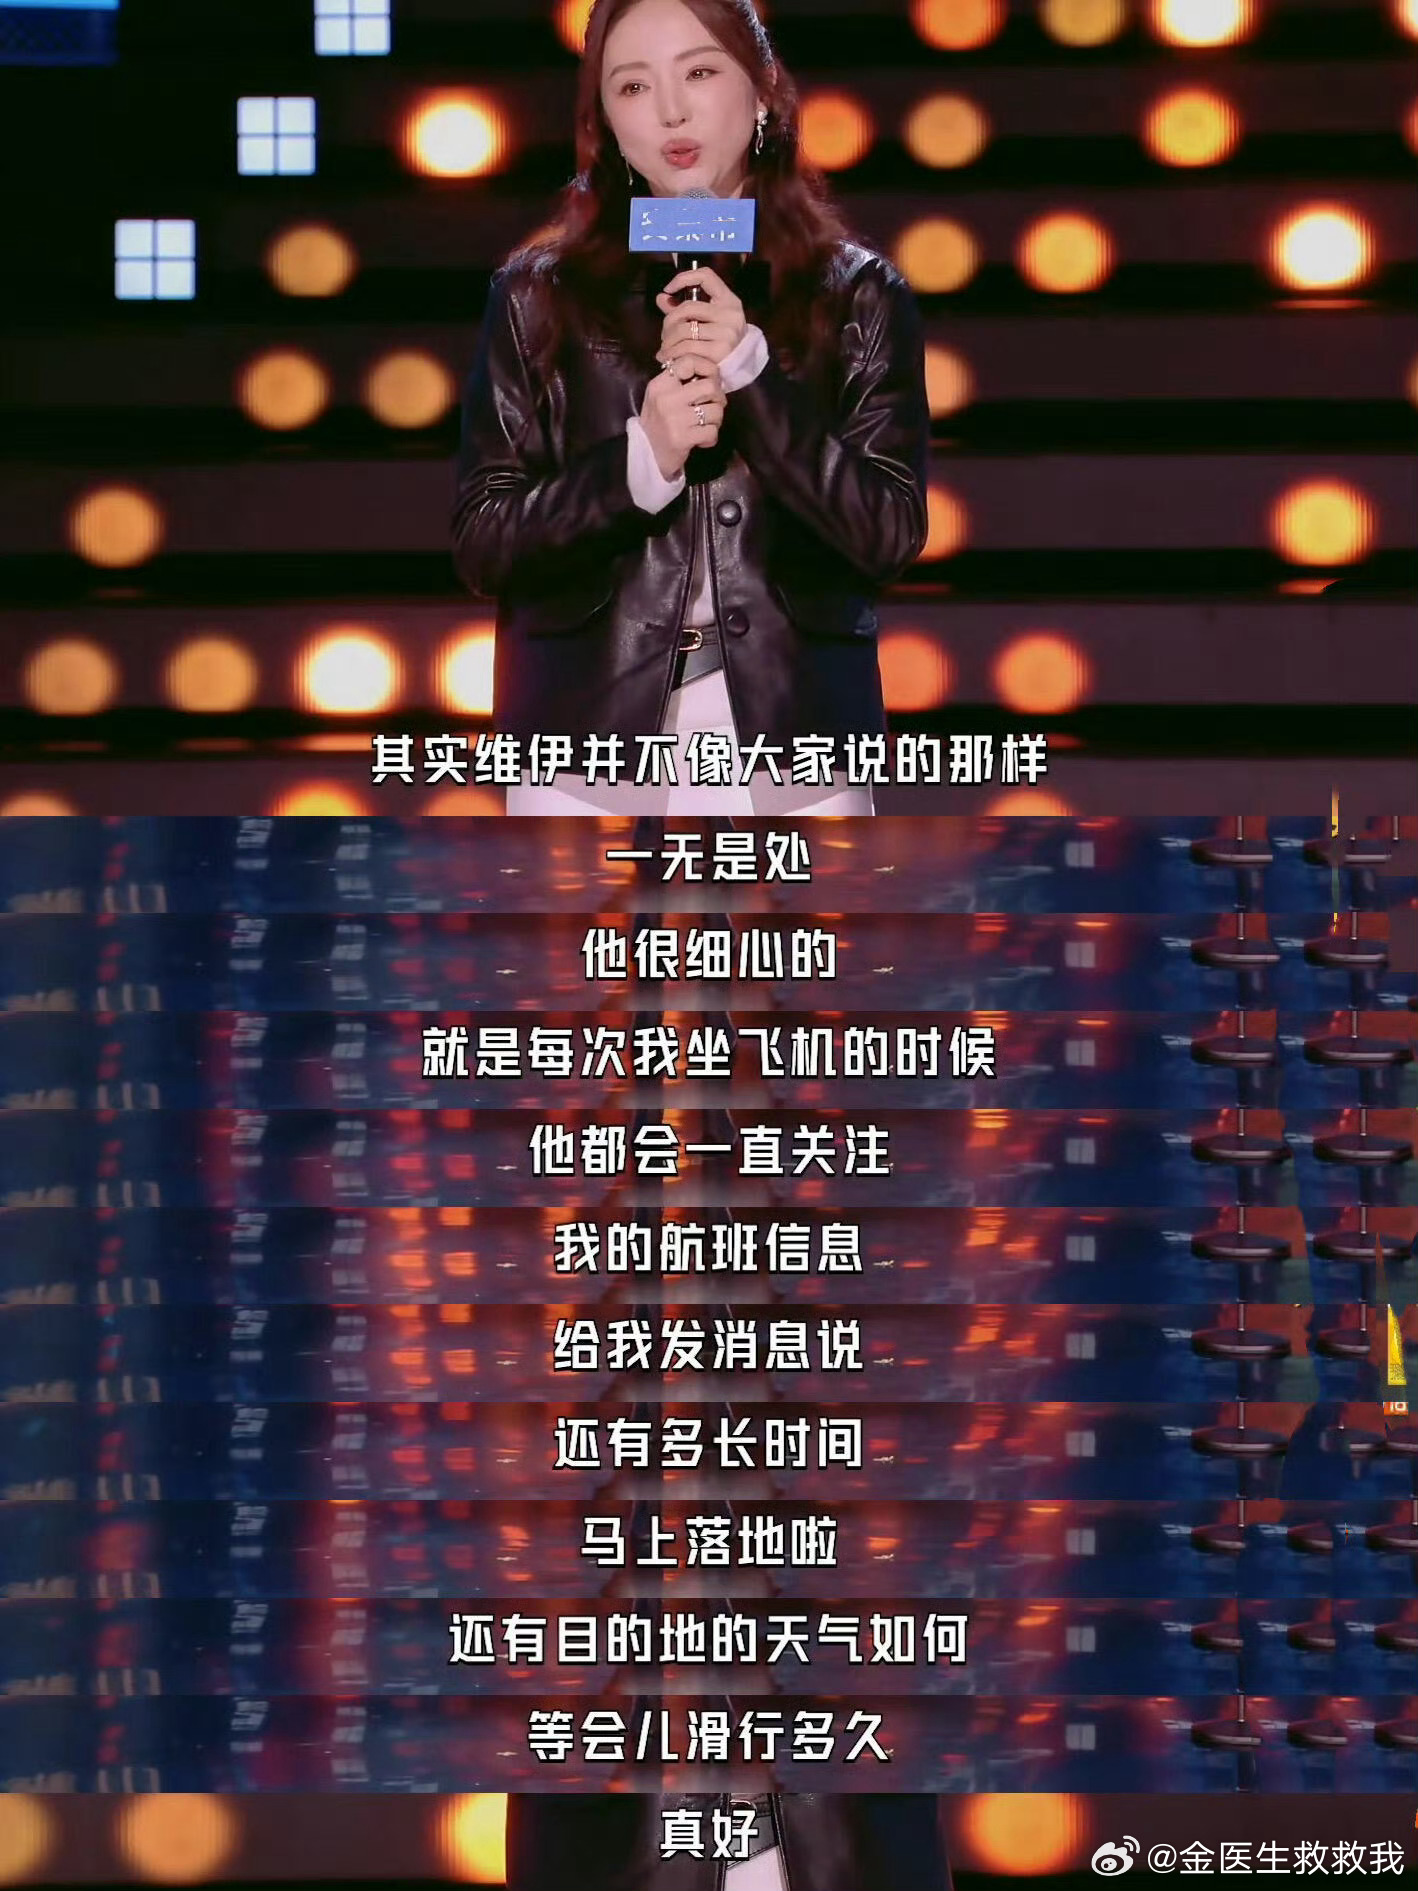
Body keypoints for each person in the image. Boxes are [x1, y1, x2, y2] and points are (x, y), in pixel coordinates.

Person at [451, 0, 931, 817]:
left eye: (700, 73)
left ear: (763, 92)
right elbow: (484, 541)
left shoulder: (854, 293)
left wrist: (753, 381)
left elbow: (888, 531)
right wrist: (640, 463)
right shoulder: (541, 296)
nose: (670, 112)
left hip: (793, 739)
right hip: (588, 745)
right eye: (632, 87)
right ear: (605, 119)